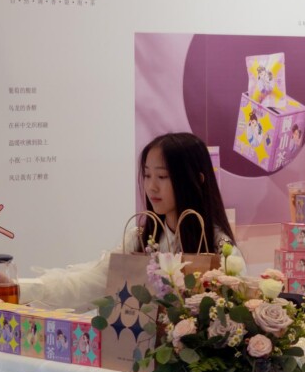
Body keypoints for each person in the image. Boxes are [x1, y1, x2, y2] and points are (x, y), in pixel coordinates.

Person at [22, 132, 244, 311]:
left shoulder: (220, 248)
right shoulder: (139, 239)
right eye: (147, 175)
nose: (151, 187)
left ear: (197, 180)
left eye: (162, 176)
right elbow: (88, 283)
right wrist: (20, 289)